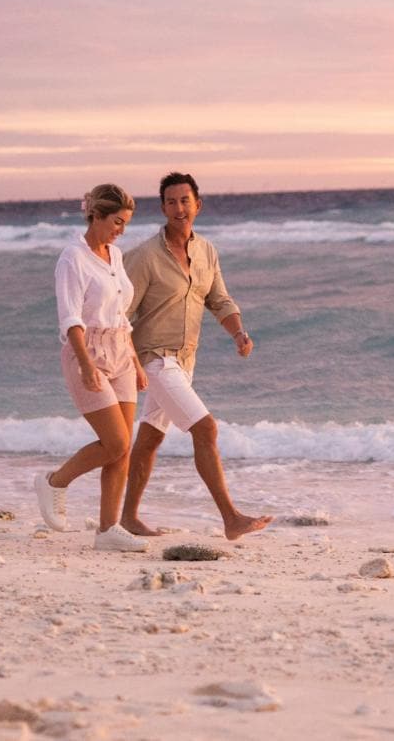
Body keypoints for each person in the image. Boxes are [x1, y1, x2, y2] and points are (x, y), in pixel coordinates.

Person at [120, 172, 273, 541]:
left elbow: (218, 299)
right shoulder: (143, 257)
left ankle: (126, 518)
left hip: (185, 361)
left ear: (197, 205)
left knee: (150, 438)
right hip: (154, 357)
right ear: (162, 208)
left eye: (185, 201)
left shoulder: (206, 251)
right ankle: (231, 518)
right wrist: (131, 363)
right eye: (171, 202)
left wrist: (239, 332)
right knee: (205, 428)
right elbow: (119, 315)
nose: (178, 208)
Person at [34, 183, 149, 552]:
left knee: (124, 448)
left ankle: (107, 530)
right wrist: (85, 365)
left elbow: (120, 314)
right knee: (114, 441)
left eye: (126, 223)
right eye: (117, 221)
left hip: (121, 354)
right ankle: (55, 481)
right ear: (96, 215)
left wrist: (134, 359)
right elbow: (70, 318)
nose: (122, 230)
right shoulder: (72, 258)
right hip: (88, 353)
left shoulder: (114, 256)